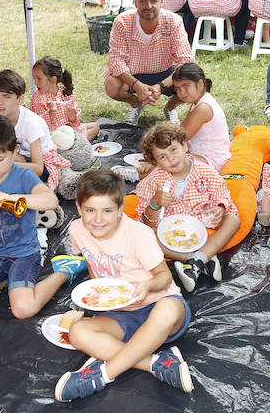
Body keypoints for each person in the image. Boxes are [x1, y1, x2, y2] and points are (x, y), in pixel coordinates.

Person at [54, 169, 193, 402]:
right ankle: (158, 364)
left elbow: (164, 277)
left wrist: (148, 286)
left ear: (120, 210)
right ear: (78, 208)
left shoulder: (138, 234)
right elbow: (91, 264)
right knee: (77, 332)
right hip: (121, 315)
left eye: (107, 211)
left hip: (159, 304)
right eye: (90, 210)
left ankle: (102, 375)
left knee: (167, 311)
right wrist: (94, 294)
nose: (98, 219)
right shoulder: (77, 229)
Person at [0, 114, 86, 318]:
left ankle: (64, 272)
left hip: (23, 253)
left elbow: (50, 200)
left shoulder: (22, 175)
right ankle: (3, 281)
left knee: (23, 310)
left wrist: (15, 199)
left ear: (14, 152)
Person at [135, 122, 240, 292]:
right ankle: (197, 259)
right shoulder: (153, 182)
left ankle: (196, 261)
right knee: (143, 235)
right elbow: (146, 222)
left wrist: (220, 207)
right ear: (155, 162)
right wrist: (154, 203)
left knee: (233, 219)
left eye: (173, 149)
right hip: (170, 232)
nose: (170, 158)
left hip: (202, 222)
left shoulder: (205, 171)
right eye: (162, 157)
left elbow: (222, 194)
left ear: (185, 145)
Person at [103, 0, 194, 126]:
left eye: (154, 1)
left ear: (162, 2)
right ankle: (136, 103)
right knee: (111, 85)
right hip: (133, 74)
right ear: (135, 2)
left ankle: (170, 108)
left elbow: (185, 62)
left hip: (166, 73)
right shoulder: (122, 21)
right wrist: (137, 85)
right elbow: (116, 60)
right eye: (142, 0)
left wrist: (161, 86)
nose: (148, 6)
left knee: (192, 80)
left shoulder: (173, 22)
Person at [0, 68, 71, 192]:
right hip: (19, 156)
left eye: (7, 96)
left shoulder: (30, 123)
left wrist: (5, 166)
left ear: (20, 99)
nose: (0, 102)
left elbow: (38, 168)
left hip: (43, 163)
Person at [30, 55, 99, 141]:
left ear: (53, 80)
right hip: (50, 134)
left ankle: (73, 143)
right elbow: (39, 125)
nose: (35, 82)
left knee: (95, 127)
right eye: (34, 79)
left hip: (68, 131)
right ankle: (73, 144)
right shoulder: (38, 98)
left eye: (39, 79)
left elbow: (73, 122)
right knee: (62, 140)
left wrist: (73, 120)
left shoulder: (65, 93)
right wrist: (51, 112)